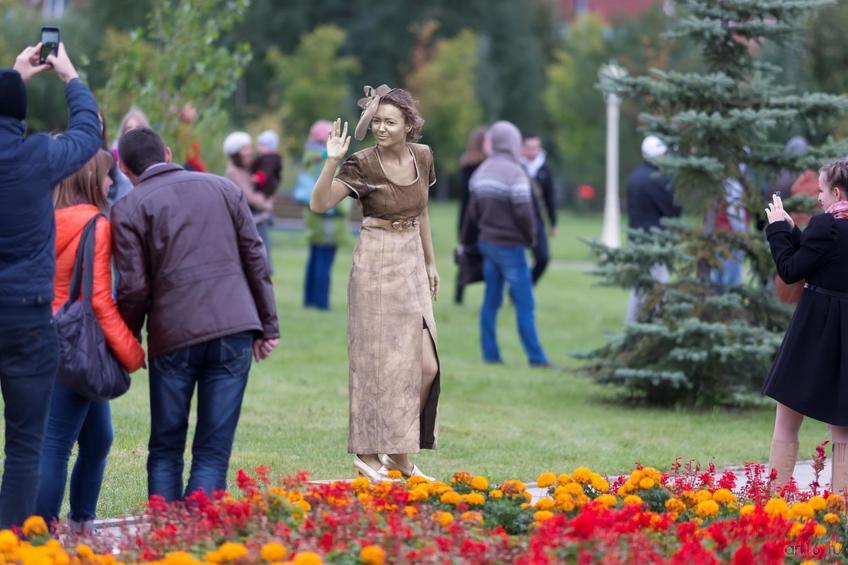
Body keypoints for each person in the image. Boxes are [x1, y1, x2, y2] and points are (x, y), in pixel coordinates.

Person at [111, 127, 279, 501]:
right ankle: (197, 541)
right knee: (213, 451)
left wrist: (128, 338)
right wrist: (268, 326)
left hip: (174, 335)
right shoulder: (223, 187)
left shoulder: (127, 208)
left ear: (123, 168)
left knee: (166, 448)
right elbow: (255, 255)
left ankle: (167, 541)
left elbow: (133, 287)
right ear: (168, 153)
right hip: (235, 328)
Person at [310, 85, 440, 481]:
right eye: (377, 121)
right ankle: (366, 455)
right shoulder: (362, 163)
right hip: (376, 261)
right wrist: (330, 161)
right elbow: (320, 204)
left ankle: (399, 455)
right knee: (374, 363)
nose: (381, 128)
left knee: (425, 365)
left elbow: (422, 211)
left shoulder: (423, 156)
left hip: (412, 262)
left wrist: (431, 261)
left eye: (390, 122)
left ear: (408, 126)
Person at [0, 42, 101, 528]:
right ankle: (10, 543)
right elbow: (87, 134)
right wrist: (70, 77)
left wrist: (15, 76)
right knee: (24, 442)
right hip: (25, 315)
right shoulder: (36, 156)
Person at [35, 149, 145, 533]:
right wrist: (131, 352)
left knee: (98, 438)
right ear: (89, 179)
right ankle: (39, 533)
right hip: (73, 342)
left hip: (41, 336)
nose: (112, 182)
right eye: (105, 176)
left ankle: (82, 522)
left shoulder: (42, 217)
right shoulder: (95, 224)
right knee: (56, 443)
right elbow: (98, 299)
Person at [763, 158, 848, 493]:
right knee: (842, 428)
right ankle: (840, 516)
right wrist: (794, 230)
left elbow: (790, 269)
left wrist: (777, 228)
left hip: (814, 329)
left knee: (786, 420)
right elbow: (823, 258)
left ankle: (774, 503)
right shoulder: (826, 230)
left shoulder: (825, 226)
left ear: (837, 191)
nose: (819, 198)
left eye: (823, 191)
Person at [464, 121, 551, 368]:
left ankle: (490, 355)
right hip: (511, 247)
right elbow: (525, 213)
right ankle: (537, 357)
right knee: (525, 303)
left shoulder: (480, 172)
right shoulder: (515, 173)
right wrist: (530, 238)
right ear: (512, 142)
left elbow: (473, 212)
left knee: (491, 301)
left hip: (488, 243)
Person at [624, 135, 681, 322]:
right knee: (658, 285)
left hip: (636, 239)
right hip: (656, 240)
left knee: (639, 285)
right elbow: (673, 211)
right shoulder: (659, 179)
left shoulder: (635, 176)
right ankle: (654, 322)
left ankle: (633, 322)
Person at [301, 120, 349, 310]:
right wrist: (346, 206)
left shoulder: (310, 158)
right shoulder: (328, 160)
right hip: (329, 222)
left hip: (313, 220)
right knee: (324, 263)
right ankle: (321, 303)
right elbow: (338, 196)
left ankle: (309, 299)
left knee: (314, 260)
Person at [224, 131, 275, 272]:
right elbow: (250, 197)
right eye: (245, 149)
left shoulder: (248, 169)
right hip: (248, 226)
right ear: (235, 152)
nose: (249, 152)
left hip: (257, 223)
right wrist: (267, 204)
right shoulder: (233, 172)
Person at [454, 126, 487, 305]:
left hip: (466, 216)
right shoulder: (486, 165)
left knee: (465, 256)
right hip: (482, 216)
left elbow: (464, 196)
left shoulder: (466, 163)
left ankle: (459, 296)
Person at [520, 132, 558, 285]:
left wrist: (553, 223)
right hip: (517, 222)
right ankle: (517, 292)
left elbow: (550, 198)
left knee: (543, 258)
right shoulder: (516, 165)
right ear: (522, 148)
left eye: (536, 148)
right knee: (516, 261)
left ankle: (525, 288)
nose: (533, 152)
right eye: (529, 148)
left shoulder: (544, 168)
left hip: (536, 221)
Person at [108, 107, 150, 207]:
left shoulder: (152, 154)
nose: (133, 131)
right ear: (123, 131)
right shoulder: (113, 156)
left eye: (137, 127)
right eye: (129, 128)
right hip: (120, 211)